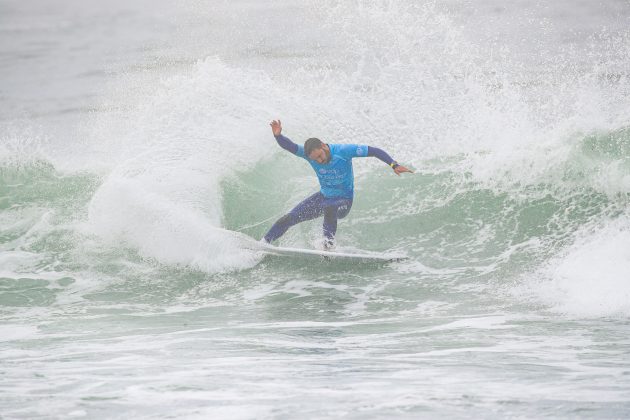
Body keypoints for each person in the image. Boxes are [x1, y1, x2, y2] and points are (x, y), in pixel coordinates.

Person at [262, 119, 412, 249]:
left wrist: (393, 164)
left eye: (320, 156)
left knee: (330, 207)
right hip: (323, 197)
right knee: (289, 218)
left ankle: (328, 245)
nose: (319, 161)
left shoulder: (343, 151)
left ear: (324, 146)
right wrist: (278, 136)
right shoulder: (310, 156)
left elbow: (374, 151)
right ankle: (264, 243)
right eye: (316, 159)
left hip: (344, 200)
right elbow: (290, 146)